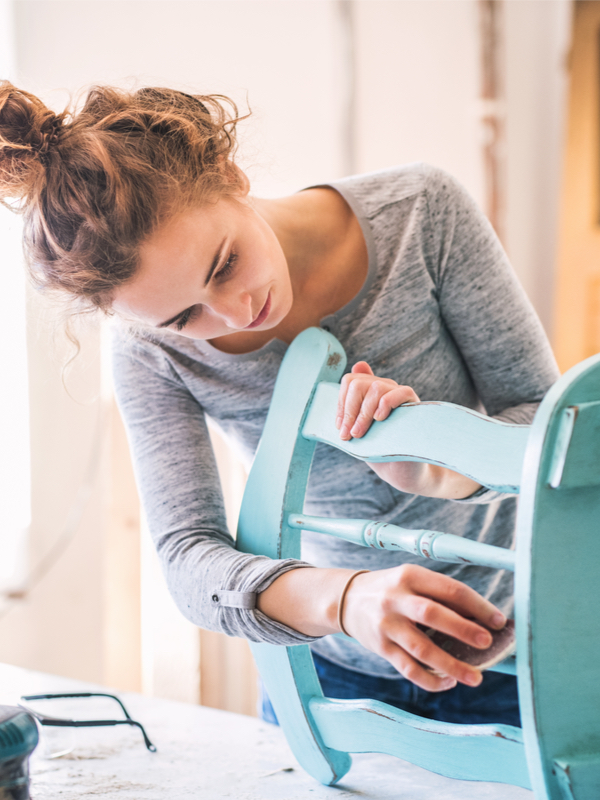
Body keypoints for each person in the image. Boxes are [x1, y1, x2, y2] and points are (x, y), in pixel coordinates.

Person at [0, 82, 559, 727]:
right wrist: (345, 601)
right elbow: (187, 556)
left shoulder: (421, 214)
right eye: (185, 316)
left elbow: (545, 421)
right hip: (329, 682)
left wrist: (436, 468)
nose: (237, 311)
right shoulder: (150, 351)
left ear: (229, 176)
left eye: (225, 263)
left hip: (528, 656)